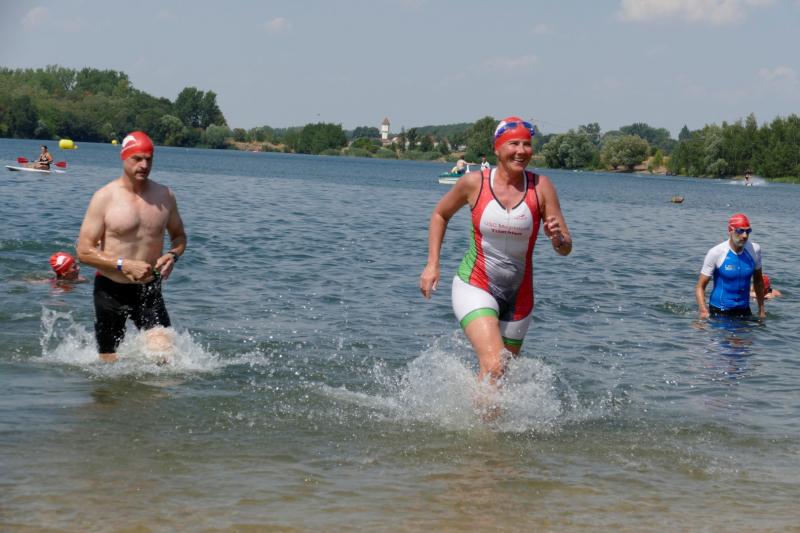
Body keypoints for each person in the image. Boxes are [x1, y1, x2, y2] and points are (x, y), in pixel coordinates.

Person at [420, 116, 572, 383]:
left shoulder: (542, 187)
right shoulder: (474, 183)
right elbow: (440, 215)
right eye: (514, 144)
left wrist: (558, 238)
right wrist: (432, 264)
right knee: (494, 364)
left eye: (527, 144)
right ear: (497, 148)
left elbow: (566, 248)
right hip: (475, 284)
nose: (522, 151)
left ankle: (475, 411)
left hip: (520, 296)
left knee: (499, 379)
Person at [77, 131, 187, 363]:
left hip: (148, 290)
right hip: (109, 289)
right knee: (108, 364)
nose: (144, 165)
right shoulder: (104, 197)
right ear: (124, 157)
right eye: (137, 159)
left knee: (165, 358)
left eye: (149, 159)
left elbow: (179, 237)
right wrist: (123, 264)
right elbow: (83, 251)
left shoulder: (165, 196)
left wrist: (172, 255)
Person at [696, 213, 765, 320]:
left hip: (744, 311)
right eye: (740, 231)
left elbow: (758, 281)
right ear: (730, 230)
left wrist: (761, 310)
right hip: (719, 311)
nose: (745, 235)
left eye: (748, 231)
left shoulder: (754, 250)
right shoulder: (716, 252)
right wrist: (703, 310)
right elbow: (700, 287)